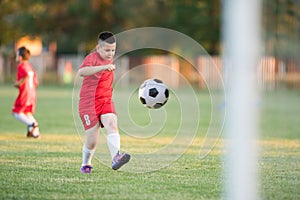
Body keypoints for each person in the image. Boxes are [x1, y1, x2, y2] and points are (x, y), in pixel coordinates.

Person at [78, 31, 130, 174]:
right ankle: (86, 164)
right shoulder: (92, 58)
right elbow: (82, 72)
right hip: (88, 103)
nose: (110, 53)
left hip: (105, 100)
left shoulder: (109, 58)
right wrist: (102, 67)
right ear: (98, 48)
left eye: (113, 50)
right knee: (92, 140)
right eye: (107, 50)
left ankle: (116, 157)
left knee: (112, 124)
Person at [12, 46, 40, 138]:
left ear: (20, 57)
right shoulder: (29, 66)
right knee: (27, 112)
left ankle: (32, 124)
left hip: (25, 94)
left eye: (17, 54)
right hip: (32, 94)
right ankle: (35, 133)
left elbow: (26, 75)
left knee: (16, 112)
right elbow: (36, 81)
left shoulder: (22, 66)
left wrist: (18, 84)